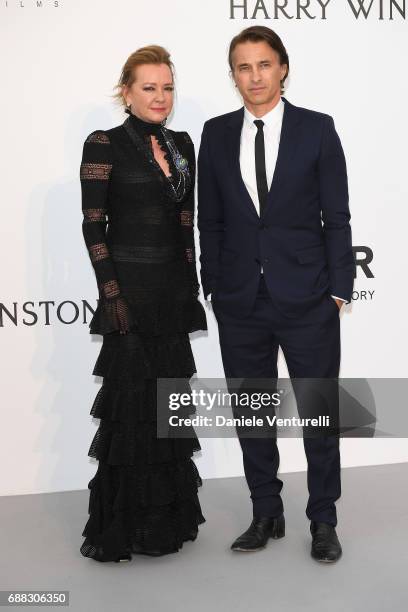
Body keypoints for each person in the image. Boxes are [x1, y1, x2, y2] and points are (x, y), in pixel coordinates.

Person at [197, 26, 354, 563]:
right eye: (243, 67)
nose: (254, 76)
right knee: (253, 412)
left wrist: (338, 288)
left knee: (317, 412)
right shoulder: (215, 135)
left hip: (309, 297)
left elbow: (336, 217)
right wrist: (213, 284)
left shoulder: (317, 129)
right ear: (234, 75)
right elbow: (210, 222)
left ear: (282, 68)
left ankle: (323, 520)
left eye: (264, 64)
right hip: (241, 300)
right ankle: (266, 511)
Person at [79, 45, 207, 562]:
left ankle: (165, 524)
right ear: (126, 91)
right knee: (132, 413)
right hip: (130, 294)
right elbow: (94, 226)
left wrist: (191, 287)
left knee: (167, 412)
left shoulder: (180, 144)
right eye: (149, 87)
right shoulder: (104, 143)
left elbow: (185, 223)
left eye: (168, 87)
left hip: (171, 295)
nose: (160, 97)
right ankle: (124, 527)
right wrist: (112, 295)